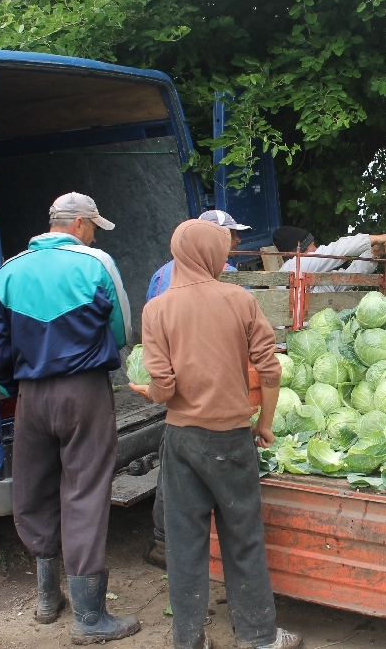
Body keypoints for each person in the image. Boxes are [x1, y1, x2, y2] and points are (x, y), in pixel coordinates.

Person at [129, 219, 301, 649]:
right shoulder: (239, 299)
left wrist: (148, 393)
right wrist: (263, 423)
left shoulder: (157, 310)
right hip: (231, 439)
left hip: (182, 440)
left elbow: (164, 388)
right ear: (209, 254)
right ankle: (259, 638)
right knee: (242, 538)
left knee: (185, 546)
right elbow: (270, 368)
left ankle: (189, 640)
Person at [0, 192, 140, 643]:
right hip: (84, 392)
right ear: (79, 224)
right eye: (94, 226)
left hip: (31, 396)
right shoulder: (96, 264)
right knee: (85, 490)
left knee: (35, 488)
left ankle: (48, 599)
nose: (94, 234)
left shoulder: (9, 271)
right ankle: (90, 618)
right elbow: (122, 329)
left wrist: (13, 389)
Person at [144, 209, 251, 569]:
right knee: (231, 506)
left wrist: (159, 387)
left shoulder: (161, 275)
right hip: (218, 404)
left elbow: (155, 336)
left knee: (174, 475)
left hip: (176, 399)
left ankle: (163, 541)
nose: (234, 242)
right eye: (229, 235)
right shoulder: (228, 280)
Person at [147, 209, 247, 301]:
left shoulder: (160, 274)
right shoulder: (228, 272)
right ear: (211, 238)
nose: (238, 240)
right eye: (230, 234)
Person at [272, 225, 386, 292]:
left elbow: (345, 280)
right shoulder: (294, 266)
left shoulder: (313, 273)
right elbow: (337, 250)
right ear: (299, 251)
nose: (317, 249)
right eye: (312, 246)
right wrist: (376, 238)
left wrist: (373, 253)